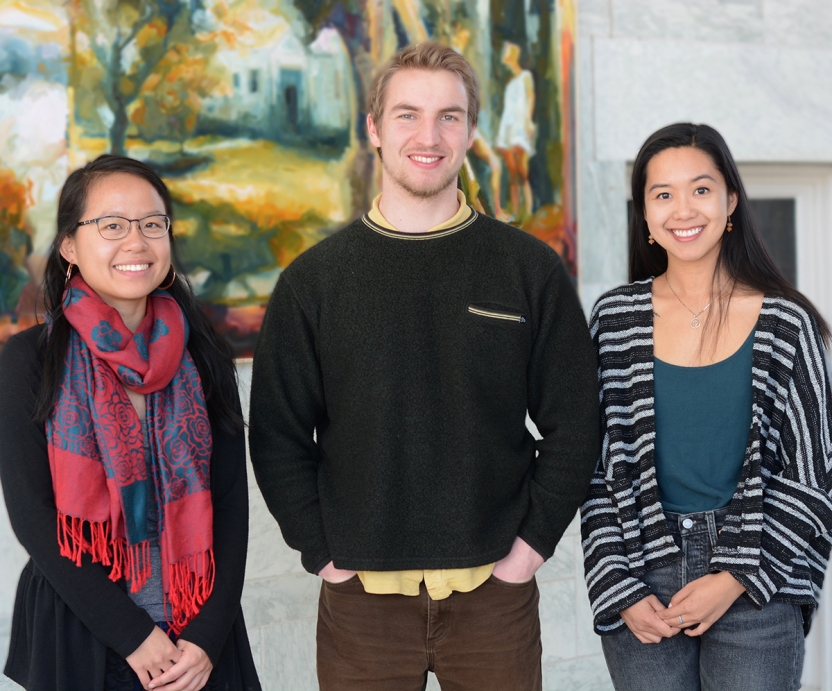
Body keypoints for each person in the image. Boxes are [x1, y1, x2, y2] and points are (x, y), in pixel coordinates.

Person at [249, 42, 599, 691]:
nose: (428, 136)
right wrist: (323, 556)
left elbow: (577, 422)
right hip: (362, 605)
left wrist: (528, 553)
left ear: (470, 132)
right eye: (407, 114)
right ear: (375, 129)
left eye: (449, 116)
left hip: (495, 595)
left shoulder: (529, 270)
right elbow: (277, 436)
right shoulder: (314, 282)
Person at [580, 123, 832, 691]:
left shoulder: (786, 323)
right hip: (643, 577)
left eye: (700, 189)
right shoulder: (614, 321)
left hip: (757, 575)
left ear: (730, 201)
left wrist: (736, 576)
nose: (681, 209)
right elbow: (595, 470)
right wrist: (617, 585)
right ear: (643, 214)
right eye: (661, 194)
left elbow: (815, 475)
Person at [0, 155, 260, 691]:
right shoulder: (29, 360)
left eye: (152, 224)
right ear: (69, 246)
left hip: (198, 639)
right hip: (83, 633)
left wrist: (207, 638)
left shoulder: (204, 353)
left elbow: (232, 505)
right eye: (112, 225)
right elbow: (32, 515)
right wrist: (136, 637)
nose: (136, 242)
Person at [495, 41, 535, 221]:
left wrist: (528, 121)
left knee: (523, 172)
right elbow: (508, 110)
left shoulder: (525, 76)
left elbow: (531, 97)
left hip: (520, 127)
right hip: (508, 128)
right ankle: (517, 212)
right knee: (512, 173)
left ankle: (530, 210)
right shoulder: (510, 83)